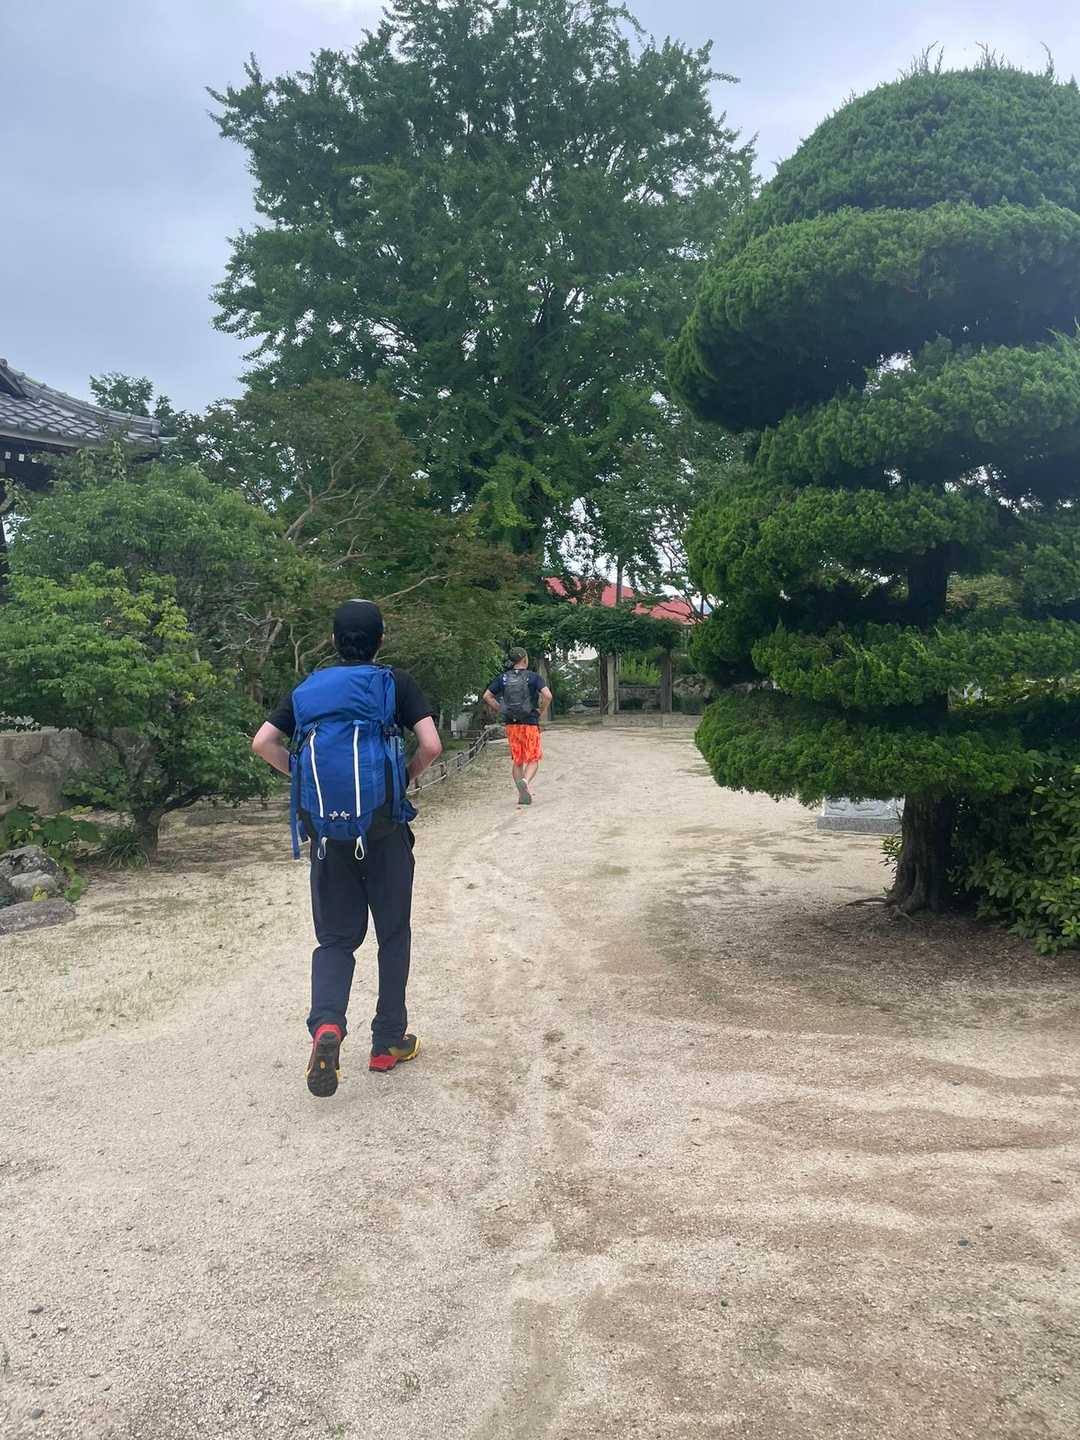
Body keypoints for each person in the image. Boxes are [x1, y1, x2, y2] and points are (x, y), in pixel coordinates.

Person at [251, 600, 442, 1097]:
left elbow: (263, 743)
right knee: (392, 935)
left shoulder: (308, 690)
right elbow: (431, 745)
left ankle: (328, 1025)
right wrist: (401, 779)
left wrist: (303, 782)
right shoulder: (395, 683)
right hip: (385, 831)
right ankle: (387, 1042)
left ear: (334, 642)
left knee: (335, 940)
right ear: (381, 640)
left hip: (328, 838)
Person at [482, 649, 552, 805]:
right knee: (533, 758)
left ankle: (521, 793)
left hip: (511, 724)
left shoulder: (502, 678)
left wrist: (501, 709)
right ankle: (525, 782)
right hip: (530, 723)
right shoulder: (534, 677)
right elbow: (548, 695)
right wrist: (540, 711)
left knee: (518, 760)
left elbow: (487, 696)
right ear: (525, 659)